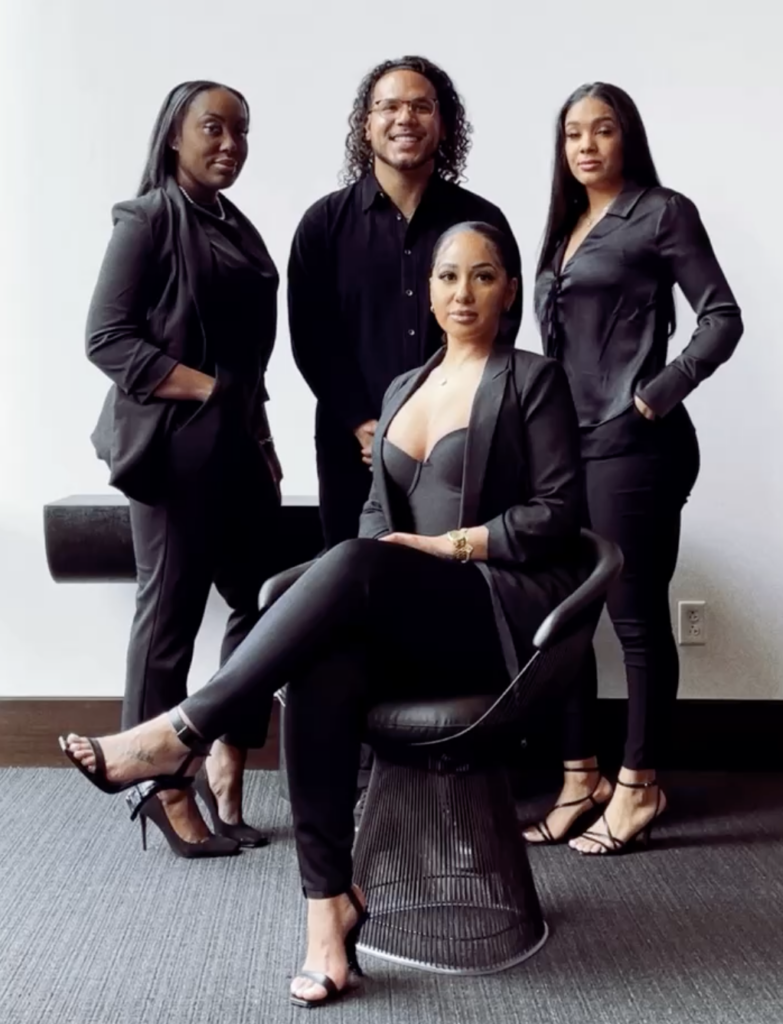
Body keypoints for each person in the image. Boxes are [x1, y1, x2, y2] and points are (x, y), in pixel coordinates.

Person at [63, 222, 585, 1006]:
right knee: (319, 659)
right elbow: (376, 518)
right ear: (429, 292)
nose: (463, 293)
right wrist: (387, 560)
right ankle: (327, 913)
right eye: (447, 276)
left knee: (349, 563)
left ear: (509, 290)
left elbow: (559, 514)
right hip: (413, 621)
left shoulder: (533, 380)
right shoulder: (402, 388)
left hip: (494, 615)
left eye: (482, 276)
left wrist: (450, 546)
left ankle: (181, 731)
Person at [524, 82, 743, 855]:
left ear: (628, 138)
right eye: (572, 133)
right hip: (565, 448)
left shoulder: (661, 211)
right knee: (566, 619)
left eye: (602, 130)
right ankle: (579, 779)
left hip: (634, 447)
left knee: (634, 615)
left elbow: (721, 315)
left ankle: (640, 783)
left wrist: (653, 396)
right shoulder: (563, 227)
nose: (585, 145)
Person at [85, 80, 283, 858]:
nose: (230, 143)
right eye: (213, 127)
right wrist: (208, 390)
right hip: (173, 454)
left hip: (237, 450)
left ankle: (226, 756)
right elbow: (107, 338)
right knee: (166, 619)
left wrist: (259, 436)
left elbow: (250, 360)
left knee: (264, 606)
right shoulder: (147, 220)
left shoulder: (233, 225)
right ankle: (160, 788)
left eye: (241, 130)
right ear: (175, 134)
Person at [288, 54, 522, 549]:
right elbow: (311, 339)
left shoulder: (483, 223)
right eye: (389, 106)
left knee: (453, 581)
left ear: (444, 124)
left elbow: (499, 327)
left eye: (421, 106)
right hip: (351, 449)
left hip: (458, 447)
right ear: (366, 124)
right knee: (352, 578)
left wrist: (438, 424)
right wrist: (362, 424)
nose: (405, 118)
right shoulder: (322, 226)